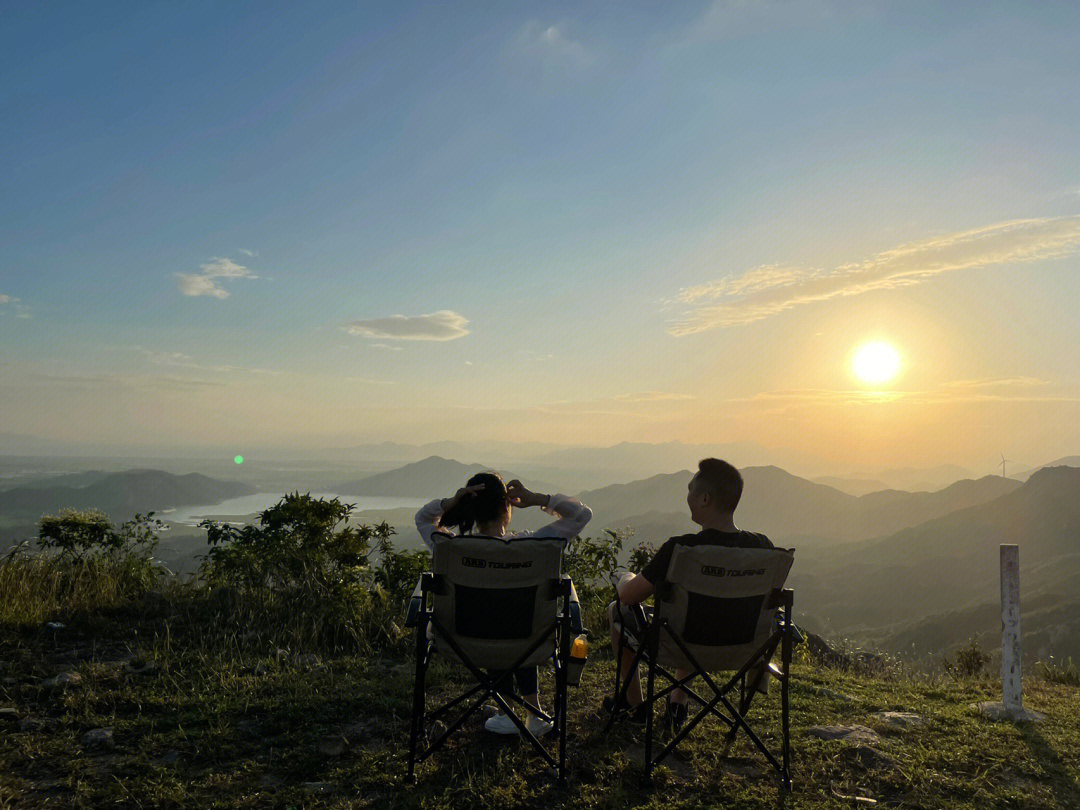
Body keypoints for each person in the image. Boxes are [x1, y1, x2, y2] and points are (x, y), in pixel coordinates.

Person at [415, 472, 592, 738]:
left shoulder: (451, 547)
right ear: (506, 507)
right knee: (519, 617)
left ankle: (507, 711)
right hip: (528, 641)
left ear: (470, 508)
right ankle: (533, 712)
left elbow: (422, 518)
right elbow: (581, 515)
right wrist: (537, 499)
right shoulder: (535, 546)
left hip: (463, 642)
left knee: (491, 615)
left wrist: (450, 502)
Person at [605, 458, 773, 733]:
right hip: (741, 650)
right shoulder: (763, 548)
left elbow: (628, 598)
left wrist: (627, 577)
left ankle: (635, 707)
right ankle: (678, 701)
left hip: (684, 644)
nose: (688, 496)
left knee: (615, 611)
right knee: (705, 613)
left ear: (705, 498)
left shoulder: (681, 550)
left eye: (690, 489)